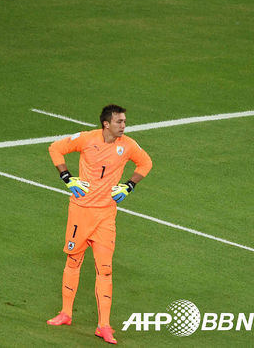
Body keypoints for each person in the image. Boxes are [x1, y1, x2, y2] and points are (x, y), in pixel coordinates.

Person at [46, 104, 153, 345]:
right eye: (119, 122)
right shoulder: (86, 139)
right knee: (73, 262)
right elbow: (55, 148)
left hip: (106, 216)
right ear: (106, 124)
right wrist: (66, 177)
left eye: (124, 121)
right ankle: (65, 313)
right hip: (80, 212)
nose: (123, 125)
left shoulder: (128, 145)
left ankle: (103, 326)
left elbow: (146, 163)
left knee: (105, 270)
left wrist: (130, 185)